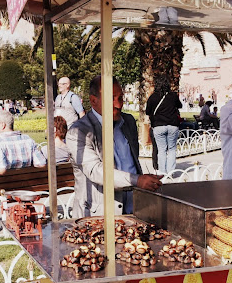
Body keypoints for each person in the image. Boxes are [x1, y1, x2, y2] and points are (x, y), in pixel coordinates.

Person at [66, 76, 162, 218]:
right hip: (98, 215)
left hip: (134, 209)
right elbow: (96, 171)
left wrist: (144, 180)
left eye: (120, 98)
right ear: (93, 100)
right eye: (111, 98)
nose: (118, 104)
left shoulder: (128, 122)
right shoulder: (79, 132)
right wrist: (138, 180)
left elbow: (132, 163)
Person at [0, 110, 46, 194]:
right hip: (25, 185)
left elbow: (1, 170)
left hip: (2, 189)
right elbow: (41, 164)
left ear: (2, 125)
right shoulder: (28, 139)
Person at [145, 77, 182, 174]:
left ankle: (162, 172)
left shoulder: (153, 97)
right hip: (173, 125)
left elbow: (148, 111)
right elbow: (180, 105)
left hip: (158, 125)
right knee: (172, 148)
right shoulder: (173, 96)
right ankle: (171, 171)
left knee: (161, 150)